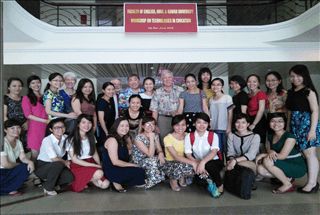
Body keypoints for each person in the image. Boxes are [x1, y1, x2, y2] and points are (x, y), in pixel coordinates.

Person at [286, 65, 320, 193]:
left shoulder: (309, 91)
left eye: (298, 76)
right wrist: (288, 126)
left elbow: (315, 111)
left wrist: (312, 130)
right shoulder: (291, 92)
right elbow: (289, 111)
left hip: (306, 124)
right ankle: (312, 181)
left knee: (310, 154)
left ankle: (312, 183)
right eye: (293, 76)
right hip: (295, 125)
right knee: (304, 153)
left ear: (304, 76)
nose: (295, 79)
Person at [256, 113, 307, 194]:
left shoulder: (290, 137)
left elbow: (282, 156)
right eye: (273, 121)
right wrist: (271, 152)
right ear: (269, 123)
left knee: (267, 160)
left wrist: (263, 154)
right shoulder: (270, 136)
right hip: (283, 164)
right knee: (260, 169)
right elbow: (270, 152)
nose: (276, 124)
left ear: (284, 123)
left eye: (280, 121)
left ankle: (287, 184)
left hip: (296, 166)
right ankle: (287, 178)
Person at [64, 114, 109, 192]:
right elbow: (75, 160)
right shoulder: (71, 139)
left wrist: (98, 165)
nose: (87, 125)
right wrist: (94, 165)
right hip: (78, 165)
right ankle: (81, 181)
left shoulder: (91, 137)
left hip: (90, 161)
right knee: (99, 174)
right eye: (83, 122)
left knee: (105, 184)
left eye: (89, 122)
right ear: (78, 124)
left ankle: (86, 180)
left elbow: (94, 153)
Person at [185, 113, 224, 197]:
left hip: (214, 162)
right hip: (198, 162)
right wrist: (198, 163)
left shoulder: (213, 135)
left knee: (209, 165)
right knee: (200, 183)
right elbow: (188, 154)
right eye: (199, 122)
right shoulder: (189, 136)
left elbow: (214, 152)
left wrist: (203, 163)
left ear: (208, 124)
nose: (202, 125)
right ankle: (210, 179)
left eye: (205, 123)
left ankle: (219, 184)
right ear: (194, 123)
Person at [103, 118, 146, 193]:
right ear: (116, 127)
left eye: (127, 126)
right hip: (112, 169)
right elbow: (115, 162)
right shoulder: (112, 140)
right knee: (139, 172)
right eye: (122, 126)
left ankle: (119, 180)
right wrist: (132, 165)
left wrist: (128, 138)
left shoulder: (121, 138)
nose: (125, 128)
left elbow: (128, 151)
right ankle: (114, 181)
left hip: (119, 167)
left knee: (141, 171)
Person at [34, 118, 75, 196]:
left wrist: (69, 160)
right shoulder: (47, 140)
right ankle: (48, 187)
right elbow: (54, 158)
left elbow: (70, 152)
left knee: (70, 176)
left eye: (62, 127)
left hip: (57, 165)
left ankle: (52, 181)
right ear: (51, 129)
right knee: (58, 163)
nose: (60, 129)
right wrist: (65, 163)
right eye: (56, 128)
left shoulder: (66, 137)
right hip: (43, 166)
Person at [150, 69, 184, 147]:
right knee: (163, 139)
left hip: (178, 119)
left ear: (173, 78)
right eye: (165, 77)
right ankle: (165, 157)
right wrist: (154, 125)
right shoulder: (157, 92)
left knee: (179, 139)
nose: (167, 79)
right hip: (163, 119)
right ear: (161, 79)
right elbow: (154, 110)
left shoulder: (180, 90)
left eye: (169, 77)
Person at [1, 119, 34, 196]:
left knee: (26, 167)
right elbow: (5, 164)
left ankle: (8, 188)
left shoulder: (18, 142)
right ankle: (8, 189)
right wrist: (18, 164)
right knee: (22, 166)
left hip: (8, 170)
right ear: (5, 130)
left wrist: (30, 162)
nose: (16, 130)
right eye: (12, 128)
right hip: (2, 171)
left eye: (18, 127)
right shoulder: (2, 142)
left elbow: (23, 157)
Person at [163, 115, 196, 192]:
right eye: (177, 125)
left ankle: (182, 176)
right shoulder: (167, 138)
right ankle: (173, 180)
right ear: (173, 126)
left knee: (199, 165)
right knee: (178, 165)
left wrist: (196, 162)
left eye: (183, 125)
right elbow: (176, 157)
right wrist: (193, 163)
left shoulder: (187, 135)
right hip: (171, 163)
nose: (180, 127)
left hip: (184, 161)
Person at [131, 116, 166, 189]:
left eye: (152, 124)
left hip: (150, 159)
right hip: (139, 161)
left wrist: (161, 153)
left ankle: (157, 176)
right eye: (148, 124)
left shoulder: (155, 135)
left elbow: (159, 149)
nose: (150, 126)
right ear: (143, 126)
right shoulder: (138, 138)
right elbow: (150, 155)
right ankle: (148, 182)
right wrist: (151, 138)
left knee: (165, 159)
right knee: (152, 160)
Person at [22, 75, 49, 163]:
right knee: (35, 154)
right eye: (33, 83)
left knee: (45, 153)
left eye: (38, 82)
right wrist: (44, 120)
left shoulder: (44, 97)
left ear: (41, 84)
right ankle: (32, 174)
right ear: (29, 85)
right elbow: (28, 115)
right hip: (35, 128)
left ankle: (40, 173)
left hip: (47, 127)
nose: (36, 85)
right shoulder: (26, 98)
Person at [209, 78, 235, 155]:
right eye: (213, 84)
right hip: (213, 128)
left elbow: (230, 113)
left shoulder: (227, 97)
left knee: (227, 150)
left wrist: (229, 127)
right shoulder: (211, 100)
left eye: (218, 84)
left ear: (222, 86)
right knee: (217, 150)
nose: (215, 86)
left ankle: (228, 166)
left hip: (224, 128)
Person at [4, 77, 29, 152]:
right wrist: (14, 130)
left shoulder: (24, 98)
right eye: (14, 86)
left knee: (23, 151)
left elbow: (29, 113)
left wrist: (27, 122)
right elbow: (3, 116)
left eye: (19, 86)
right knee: (13, 150)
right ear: (9, 87)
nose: (17, 88)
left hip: (24, 128)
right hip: (12, 130)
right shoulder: (4, 98)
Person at [246, 74, 268, 152]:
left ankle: (263, 162)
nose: (251, 84)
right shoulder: (248, 95)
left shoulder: (261, 93)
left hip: (259, 120)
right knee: (251, 143)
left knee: (260, 143)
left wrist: (254, 124)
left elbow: (261, 110)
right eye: (249, 82)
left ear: (258, 83)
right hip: (250, 119)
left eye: (254, 81)